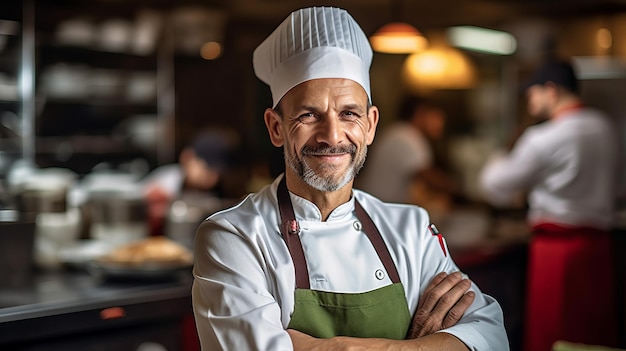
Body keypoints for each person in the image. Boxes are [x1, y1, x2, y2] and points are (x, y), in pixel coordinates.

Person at [192, 7, 509, 350]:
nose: (332, 135)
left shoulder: (410, 230)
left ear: (371, 125)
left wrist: (326, 347)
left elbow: (490, 335)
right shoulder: (233, 237)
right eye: (309, 114)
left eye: (349, 114)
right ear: (276, 127)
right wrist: (425, 344)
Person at [479, 60, 620, 351]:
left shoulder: (544, 136)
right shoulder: (606, 128)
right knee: (594, 334)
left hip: (556, 250)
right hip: (600, 247)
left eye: (532, 92)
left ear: (551, 91)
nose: (529, 99)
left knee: (552, 334)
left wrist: (506, 148)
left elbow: (493, 184)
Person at [358, 95, 460, 219]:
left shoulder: (396, 131)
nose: (440, 122)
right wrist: (460, 191)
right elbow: (428, 177)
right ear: (421, 113)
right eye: (436, 116)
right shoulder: (407, 136)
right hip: (381, 211)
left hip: (375, 207)